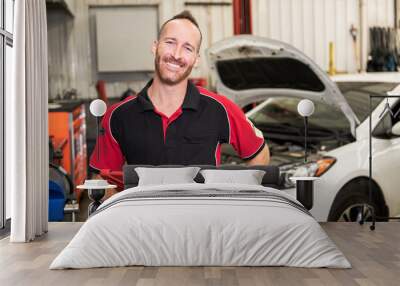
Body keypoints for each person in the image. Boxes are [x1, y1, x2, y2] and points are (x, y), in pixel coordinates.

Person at [89, 10, 270, 180]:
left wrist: (234, 202)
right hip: (143, 214)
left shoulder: (220, 109)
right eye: (170, 42)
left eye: (187, 48)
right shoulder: (118, 116)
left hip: (202, 214)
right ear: (155, 46)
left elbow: (259, 155)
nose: (176, 54)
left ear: (196, 59)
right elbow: (104, 181)